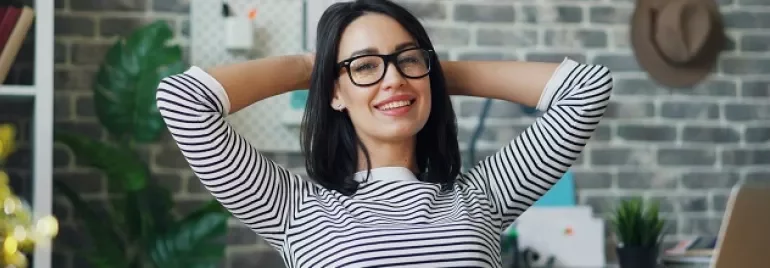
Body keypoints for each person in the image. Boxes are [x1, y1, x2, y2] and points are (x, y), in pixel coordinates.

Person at [155, 0, 613, 267]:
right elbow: (183, 102)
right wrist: (311, 69)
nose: (392, 79)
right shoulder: (294, 211)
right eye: (365, 65)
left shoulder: (482, 198)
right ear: (335, 92)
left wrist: (427, 73)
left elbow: (586, 90)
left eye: (407, 58)